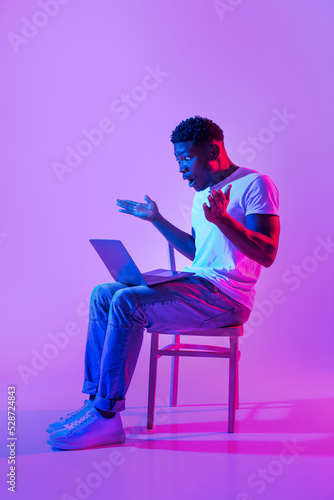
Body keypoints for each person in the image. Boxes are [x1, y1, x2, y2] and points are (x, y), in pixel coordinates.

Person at [46, 116, 280, 450]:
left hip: (227, 298)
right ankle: (94, 402)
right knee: (104, 295)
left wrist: (225, 220)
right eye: (177, 160)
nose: (182, 167)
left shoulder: (256, 184)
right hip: (198, 284)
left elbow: (267, 253)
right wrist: (156, 219)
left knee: (127, 303)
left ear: (213, 149)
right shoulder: (204, 195)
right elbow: (199, 253)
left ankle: (106, 415)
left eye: (187, 157)